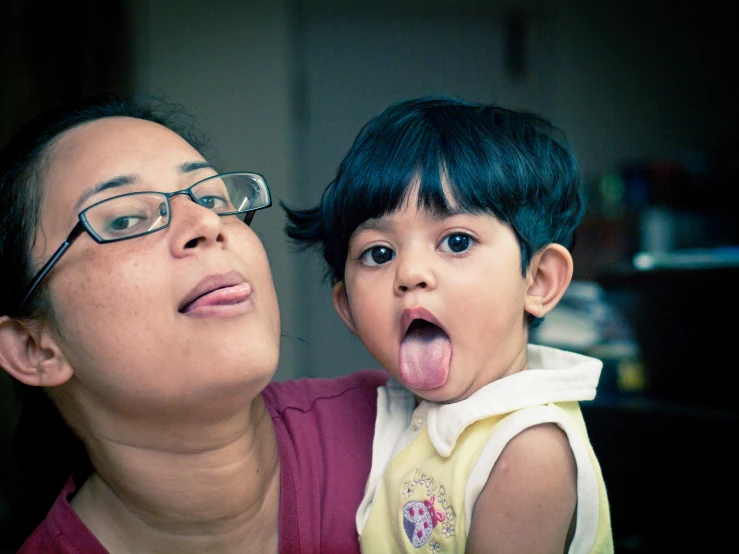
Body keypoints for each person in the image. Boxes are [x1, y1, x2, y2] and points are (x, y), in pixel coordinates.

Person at [0, 93, 387, 554]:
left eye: (212, 198)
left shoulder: (413, 430)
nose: (206, 221)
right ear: (33, 347)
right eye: (125, 218)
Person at [283, 96, 614, 553]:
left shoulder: (529, 447)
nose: (411, 273)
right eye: (379, 253)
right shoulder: (402, 417)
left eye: (457, 241)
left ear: (537, 281)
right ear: (348, 309)